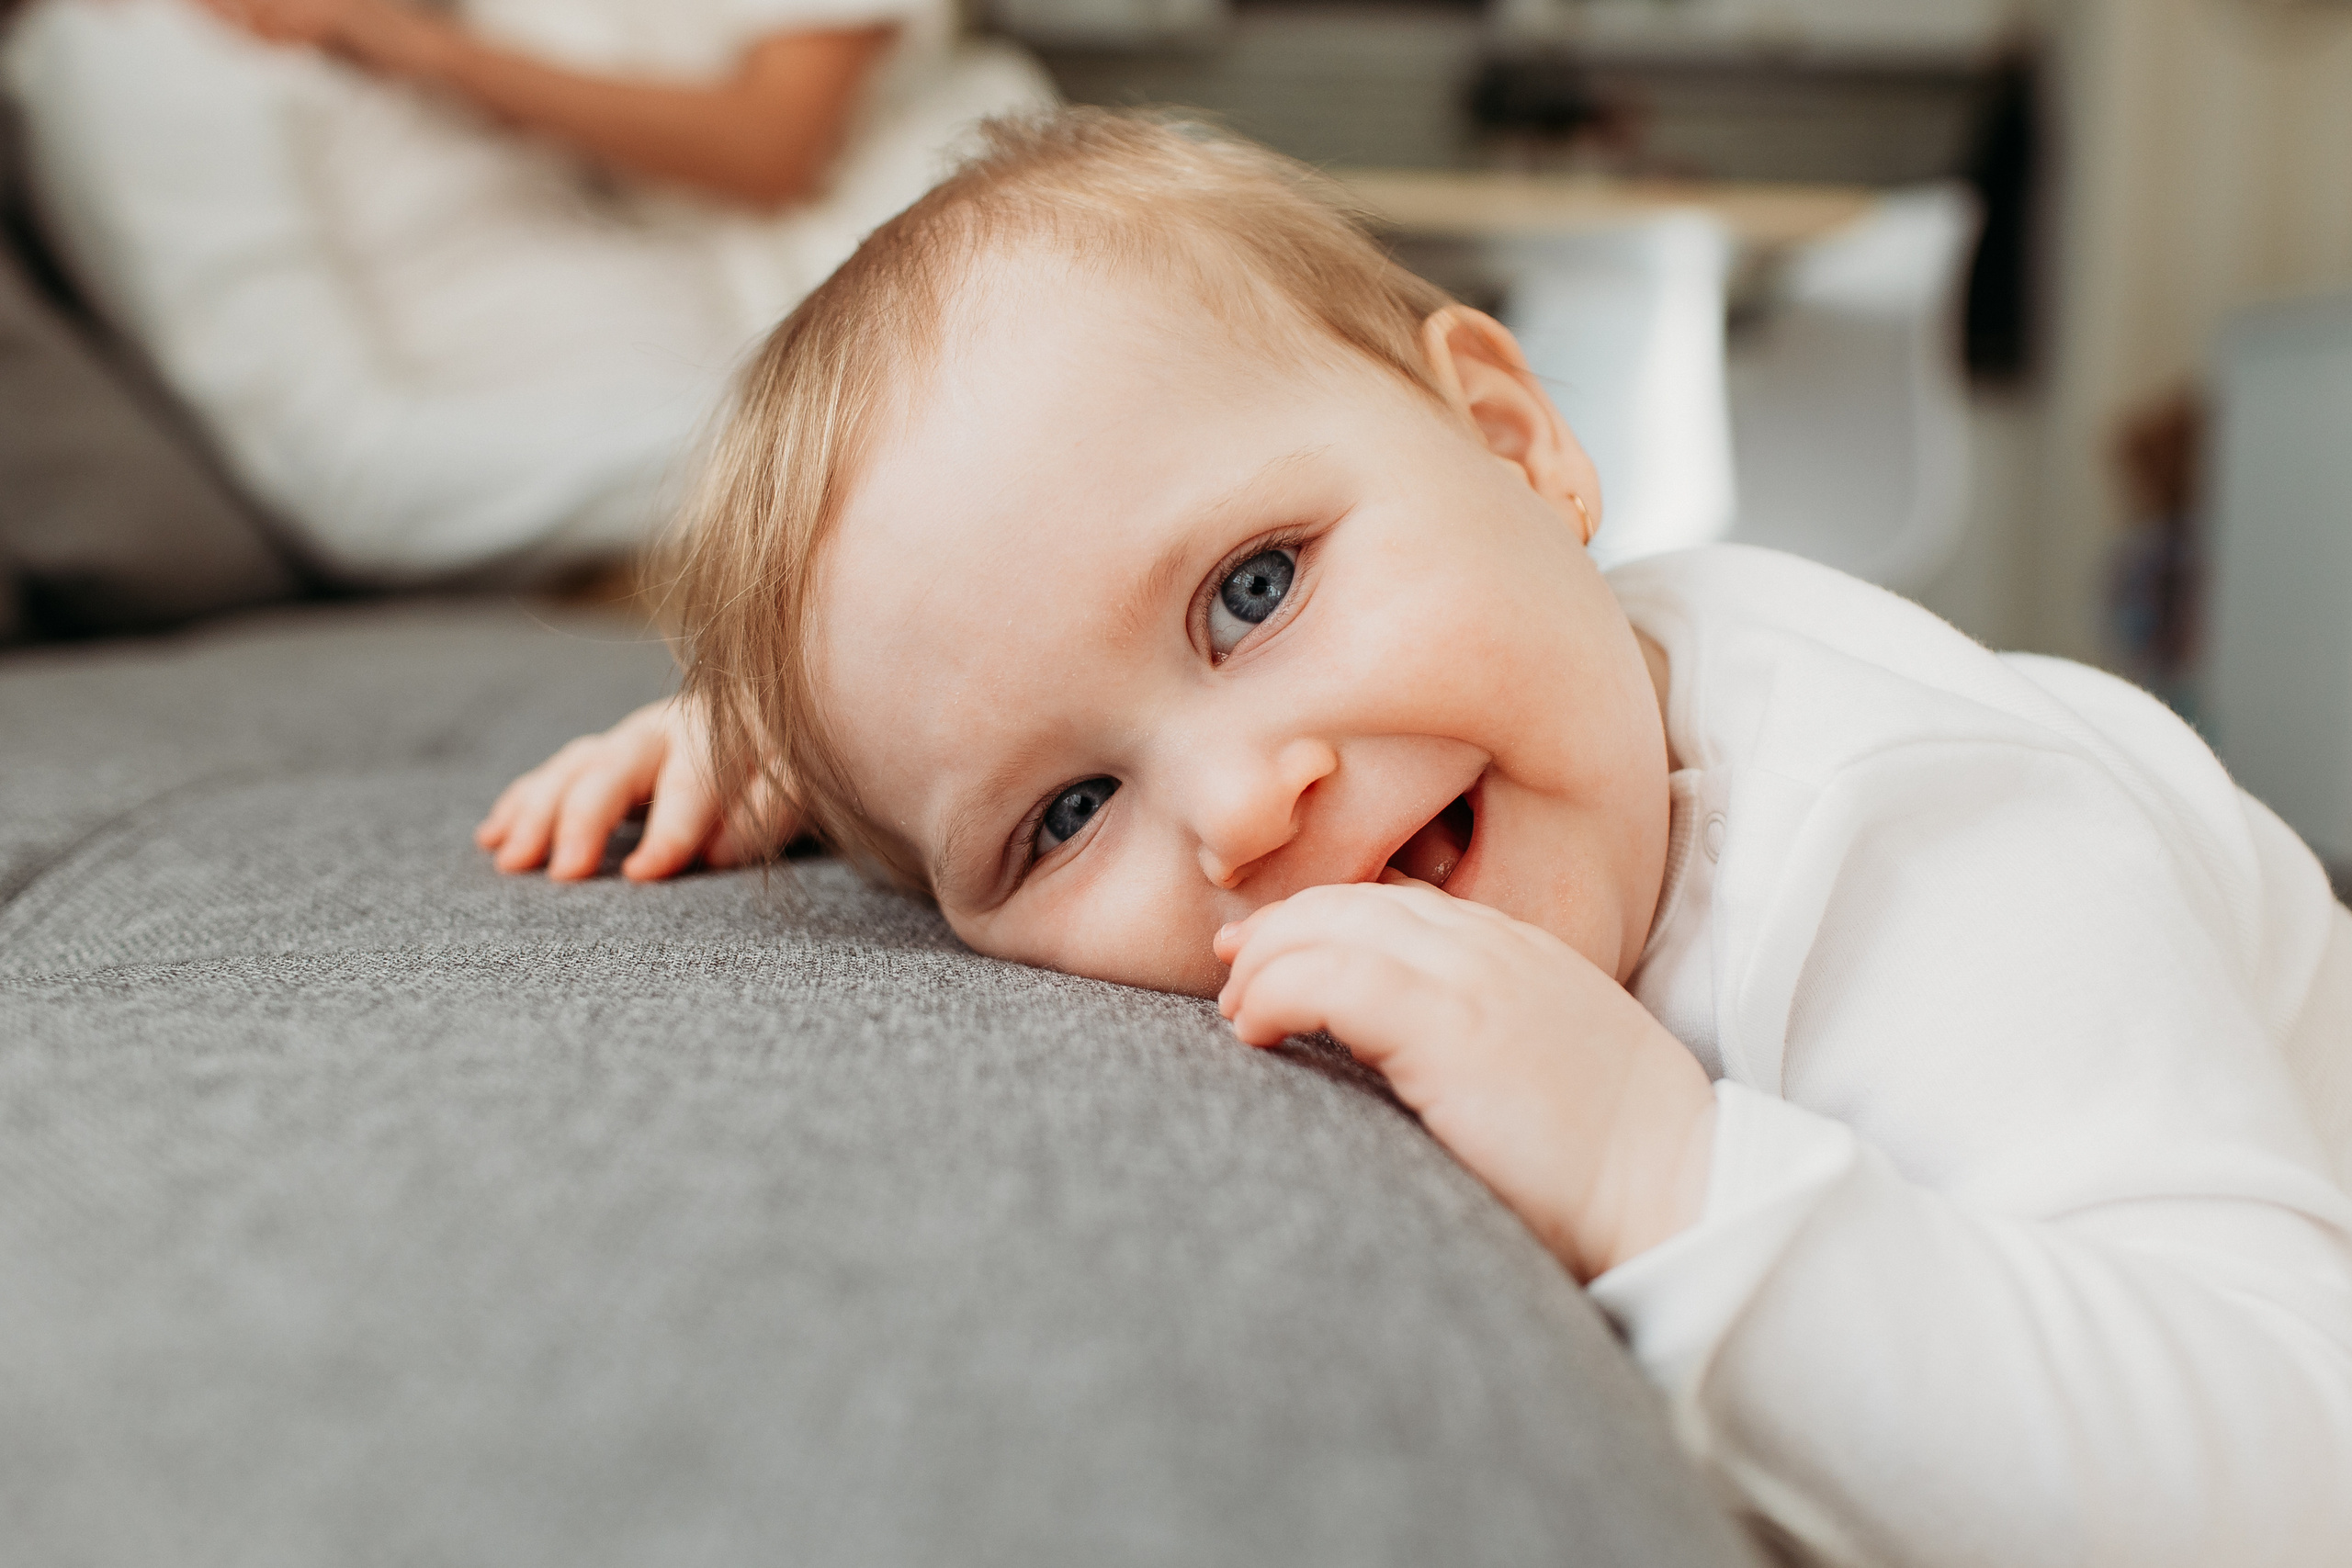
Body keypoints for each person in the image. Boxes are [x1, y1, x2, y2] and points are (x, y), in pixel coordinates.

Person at [476, 111, 2352, 1566]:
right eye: (1063, 812)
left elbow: (2289, 1479)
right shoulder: (1427, 739)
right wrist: (804, 751)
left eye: (1253, 589)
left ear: (1516, 442)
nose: (1237, 809)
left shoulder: (1917, 836)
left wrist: (1660, 1168)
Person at [3, 0, 1052, 576]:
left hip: (898, 306)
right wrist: (821, 452)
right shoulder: (135, 53)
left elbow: (771, 143)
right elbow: (350, 475)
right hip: (769, 452)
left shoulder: (399, 31)